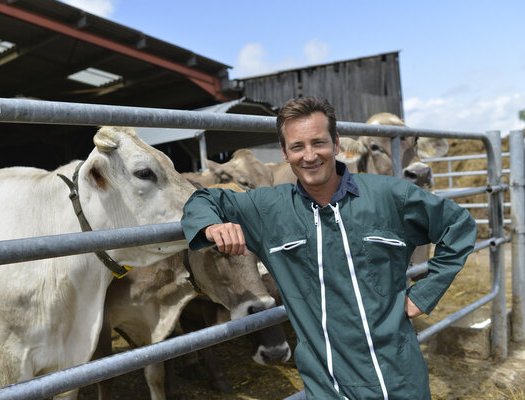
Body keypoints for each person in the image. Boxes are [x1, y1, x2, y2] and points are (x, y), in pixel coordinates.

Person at [180, 97, 477, 400]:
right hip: (328, 387)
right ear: (284, 153)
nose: (309, 156)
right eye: (297, 147)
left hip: (400, 381)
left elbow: (460, 227)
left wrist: (424, 294)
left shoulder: (389, 195)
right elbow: (201, 200)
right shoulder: (269, 208)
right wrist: (211, 225)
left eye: (318, 143)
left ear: (336, 145)